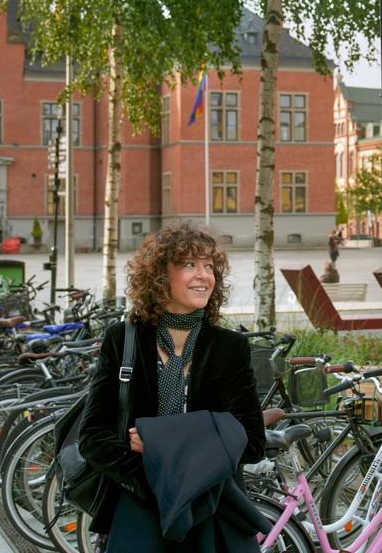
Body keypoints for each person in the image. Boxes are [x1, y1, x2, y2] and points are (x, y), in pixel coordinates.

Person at [77, 221, 265, 550]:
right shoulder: (123, 339)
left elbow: (251, 440)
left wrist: (162, 444)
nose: (203, 275)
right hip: (141, 510)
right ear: (160, 276)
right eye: (189, 265)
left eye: (209, 267)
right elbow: (93, 436)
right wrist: (152, 479)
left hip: (213, 511)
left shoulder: (229, 347)